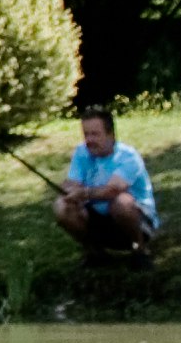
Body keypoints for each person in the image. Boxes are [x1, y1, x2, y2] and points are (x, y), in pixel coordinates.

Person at [54, 104, 157, 254]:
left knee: (122, 202)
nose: (89, 140)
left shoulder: (128, 157)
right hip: (99, 218)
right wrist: (69, 190)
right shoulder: (81, 152)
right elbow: (73, 182)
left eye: (95, 134)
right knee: (62, 206)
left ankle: (139, 250)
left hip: (137, 221)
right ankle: (95, 253)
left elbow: (112, 191)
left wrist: (83, 193)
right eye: (86, 134)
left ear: (111, 135)